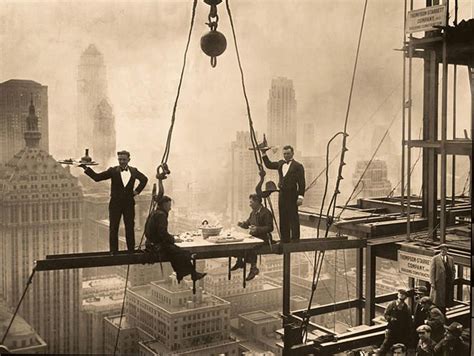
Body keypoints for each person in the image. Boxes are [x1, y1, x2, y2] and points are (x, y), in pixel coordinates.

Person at [80, 150, 148, 253]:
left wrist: (136, 191)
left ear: (129, 160)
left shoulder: (134, 171)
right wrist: (85, 168)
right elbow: (97, 178)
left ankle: (131, 250)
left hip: (129, 203)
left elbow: (144, 179)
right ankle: (113, 251)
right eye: (120, 159)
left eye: (124, 159)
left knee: (129, 227)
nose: (121, 162)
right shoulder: (113, 171)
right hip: (115, 203)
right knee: (113, 227)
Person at [145, 195, 206, 282]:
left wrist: (170, 238)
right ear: (164, 205)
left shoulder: (154, 213)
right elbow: (162, 233)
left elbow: (156, 232)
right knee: (183, 252)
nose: (170, 209)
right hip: (157, 245)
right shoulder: (161, 215)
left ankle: (182, 273)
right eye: (169, 206)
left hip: (151, 243)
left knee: (176, 252)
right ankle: (191, 274)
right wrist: (173, 239)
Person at [261, 145, 305, 242]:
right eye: (284, 154)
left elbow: (302, 183)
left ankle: (295, 239)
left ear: (292, 153)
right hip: (282, 194)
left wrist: (300, 197)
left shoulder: (298, 166)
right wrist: (263, 153)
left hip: (293, 195)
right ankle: (285, 239)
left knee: (293, 216)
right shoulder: (280, 163)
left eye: (288, 153)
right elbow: (269, 165)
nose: (286, 156)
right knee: (283, 216)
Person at [232, 194, 274, 281]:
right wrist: (242, 224)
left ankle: (253, 268)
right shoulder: (253, 213)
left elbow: (270, 227)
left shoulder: (266, 213)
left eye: (251, 202)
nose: (250, 204)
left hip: (264, 238)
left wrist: (258, 229)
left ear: (257, 202)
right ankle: (240, 261)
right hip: (255, 237)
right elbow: (248, 224)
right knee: (241, 242)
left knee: (251, 246)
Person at [379, 289, 412, 355]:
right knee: (385, 345)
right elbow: (385, 314)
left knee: (401, 347)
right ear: (398, 295)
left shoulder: (407, 308)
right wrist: (390, 319)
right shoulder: (392, 305)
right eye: (400, 294)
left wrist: (408, 333)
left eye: (403, 295)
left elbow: (409, 321)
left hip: (402, 331)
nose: (401, 296)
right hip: (392, 329)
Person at [429, 244, 455, 313]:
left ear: (447, 250)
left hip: (448, 282)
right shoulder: (435, 258)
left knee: (447, 297)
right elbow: (432, 272)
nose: (443, 251)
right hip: (439, 283)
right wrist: (432, 283)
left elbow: (453, 270)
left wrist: (452, 278)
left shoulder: (451, 259)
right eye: (442, 249)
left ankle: (445, 310)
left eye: (445, 249)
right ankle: (439, 311)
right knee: (438, 299)